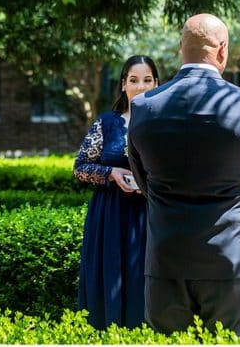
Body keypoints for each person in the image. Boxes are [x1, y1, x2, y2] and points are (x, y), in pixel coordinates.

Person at [127, 14, 240, 338]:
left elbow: (143, 181)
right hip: (231, 258)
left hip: (166, 258)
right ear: (222, 50)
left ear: (180, 49)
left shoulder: (144, 107)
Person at [74, 55, 159, 329]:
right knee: (110, 275)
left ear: (157, 84)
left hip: (148, 214)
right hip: (110, 214)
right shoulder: (108, 123)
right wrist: (110, 173)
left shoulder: (165, 123)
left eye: (147, 80)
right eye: (134, 80)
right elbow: (80, 167)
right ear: (123, 84)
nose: (141, 87)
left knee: (143, 278)